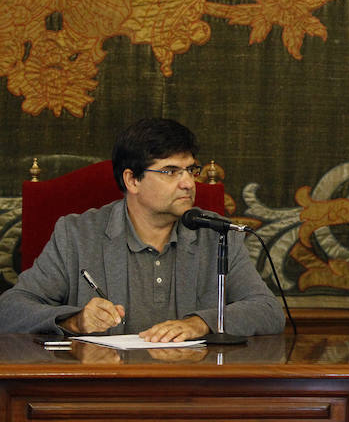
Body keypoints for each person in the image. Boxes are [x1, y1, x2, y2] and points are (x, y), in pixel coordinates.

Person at [0, 118, 284, 340]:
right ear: (132, 181)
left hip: (194, 389)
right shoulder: (76, 235)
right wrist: (74, 320)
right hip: (103, 391)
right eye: (171, 171)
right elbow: (11, 309)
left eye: (191, 170)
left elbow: (268, 311)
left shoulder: (217, 234)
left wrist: (200, 323)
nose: (188, 183)